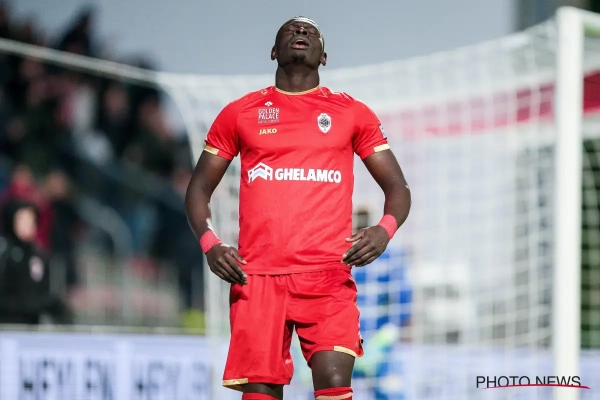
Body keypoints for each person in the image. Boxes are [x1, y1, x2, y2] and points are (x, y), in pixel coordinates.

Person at [185, 16, 411, 400]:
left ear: (324, 56)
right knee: (261, 392)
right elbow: (197, 190)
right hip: (257, 278)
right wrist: (210, 243)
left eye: (311, 31)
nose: (301, 31)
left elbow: (398, 189)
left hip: (327, 276)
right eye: (291, 29)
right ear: (274, 51)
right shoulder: (240, 113)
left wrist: (384, 229)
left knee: (335, 382)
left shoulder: (351, 112)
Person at [0, 200, 72, 325]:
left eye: (31, 220)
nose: (28, 225)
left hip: (32, 327)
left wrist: (49, 304)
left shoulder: (38, 256)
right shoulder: (4, 254)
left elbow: (42, 291)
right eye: (22, 220)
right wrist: (29, 304)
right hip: (7, 326)